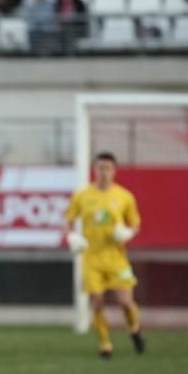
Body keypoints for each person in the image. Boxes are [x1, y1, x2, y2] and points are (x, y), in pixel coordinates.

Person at [63, 151, 145, 359]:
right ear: (94, 170)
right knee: (97, 301)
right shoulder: (82, 196)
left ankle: (134, 329)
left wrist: (128, 233)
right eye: (100, 168)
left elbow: (135, 223)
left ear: (114, 171)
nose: (103, 172)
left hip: (116, 258)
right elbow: (68, 220)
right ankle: (105, 344)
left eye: (107, 168)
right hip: (92, 258)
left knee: (125, 302)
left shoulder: (124, 196)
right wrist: (71, 236)